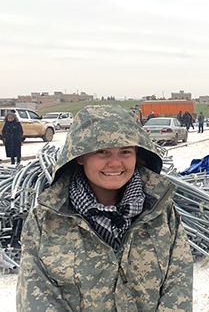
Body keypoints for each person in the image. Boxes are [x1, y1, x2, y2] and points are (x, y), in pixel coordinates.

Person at [16, 104, 193, 311]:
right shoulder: (46, 220)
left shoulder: (161, 213)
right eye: (102, 151)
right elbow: (37, 298)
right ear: (80, 156)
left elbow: (178, 287)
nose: (115, 163)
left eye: (125, 151)